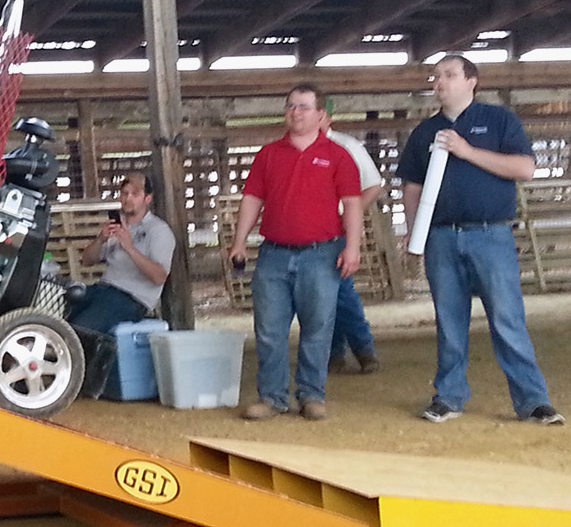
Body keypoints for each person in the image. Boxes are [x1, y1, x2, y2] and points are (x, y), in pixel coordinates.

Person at [399, 54, 562, 425]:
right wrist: (414, 231)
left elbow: (524, 168)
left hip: (491, 233)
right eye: (436, 76)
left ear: (472, 80)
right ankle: (448, 396)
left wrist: (467, 151)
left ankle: (533, 400)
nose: (440, 82)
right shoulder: (425, 132)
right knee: (449, 320)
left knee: (507, 318)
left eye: (449, 75)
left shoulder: (499, 120)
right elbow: (412, 185)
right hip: (441, 237)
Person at [229, 84, 362, 422]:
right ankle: (272, 396)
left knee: (317, 326)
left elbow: (352, 204)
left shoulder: (338, 156)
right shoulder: (268, 155)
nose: (296, 112)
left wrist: (352, 246)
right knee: (270, 329)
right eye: (291, 106)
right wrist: (239, 241)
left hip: (321, 252)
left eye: (303, 106)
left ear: (321, 115)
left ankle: (311, 394)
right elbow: (252, 199)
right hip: (273, 252)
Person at [72, 172, 177, 399]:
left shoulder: (159, 231)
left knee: (82, 328)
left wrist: (129, 247)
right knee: (63, 304)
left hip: (132, 298)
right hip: (104, 289)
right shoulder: (116, 225)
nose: (128, 198)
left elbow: (159, 277)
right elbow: (87, 260)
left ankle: (80, 383)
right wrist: (100, 239)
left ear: (147, 199)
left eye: (135, 194)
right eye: (124, 193)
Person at [320, 106, 383, 375]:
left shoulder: (347, 146)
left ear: (327, 116)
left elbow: (373, 184)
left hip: (336, 230)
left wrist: (348, 214)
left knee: (341, 292)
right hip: (311, 231)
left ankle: (362, 348)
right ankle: (335, 352)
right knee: (322, 295)